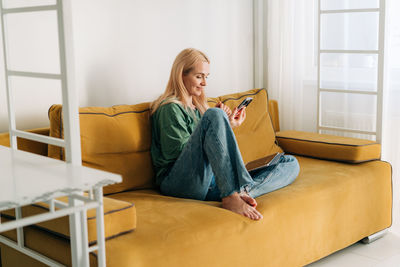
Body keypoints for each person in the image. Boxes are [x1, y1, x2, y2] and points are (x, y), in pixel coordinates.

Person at [150, 48, 299, 220]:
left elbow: (214, 155)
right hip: (179, 183)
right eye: (199, 76)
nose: (204, 83)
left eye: (206, 77)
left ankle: (239, 192)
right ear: (181, 75)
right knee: (215, 114)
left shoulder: (199, 107)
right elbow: (178, 156)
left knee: (290, 163)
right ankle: (230, 195)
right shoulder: (170, 108)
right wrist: (213, 123)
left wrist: (227, 126)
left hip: (210, 181)